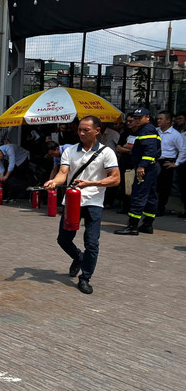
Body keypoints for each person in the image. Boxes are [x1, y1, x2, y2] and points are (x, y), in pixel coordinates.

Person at [44, 115, 119, 295]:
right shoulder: (70, 151)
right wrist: (54, 182)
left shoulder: (107, 152)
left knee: (92, 244)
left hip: (94, 202)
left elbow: (115, 179)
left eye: (86, 130)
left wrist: (91, 183)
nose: (82, 133)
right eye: (79, 130)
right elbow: (63, 173)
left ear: (97, 131)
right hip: (72, 201)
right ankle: (78, 257)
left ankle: (85, 278)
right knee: (63, 239)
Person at [116, 107, 162, 235]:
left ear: (147, 118)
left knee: (138, 195)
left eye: (139, 118)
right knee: (151, 196)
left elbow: (150, 150)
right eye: (135, 118)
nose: (136, 120)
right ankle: (147, 224)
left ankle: (132, 226)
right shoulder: (145, 129)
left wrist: (142, 166)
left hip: (147, 168)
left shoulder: (147, 130)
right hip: (151, 167)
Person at [154, 110, 185, 216]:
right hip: (154, 160)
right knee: (153, 185)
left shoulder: (175, 135)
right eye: (158, 118)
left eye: (161, 119)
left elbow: (183, 150)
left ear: (168, 121)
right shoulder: (155, 131)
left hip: (166, 162)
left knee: (164, 187)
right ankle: (152, 207)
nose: (158, 120)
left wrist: (177, 163)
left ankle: (160, 208)